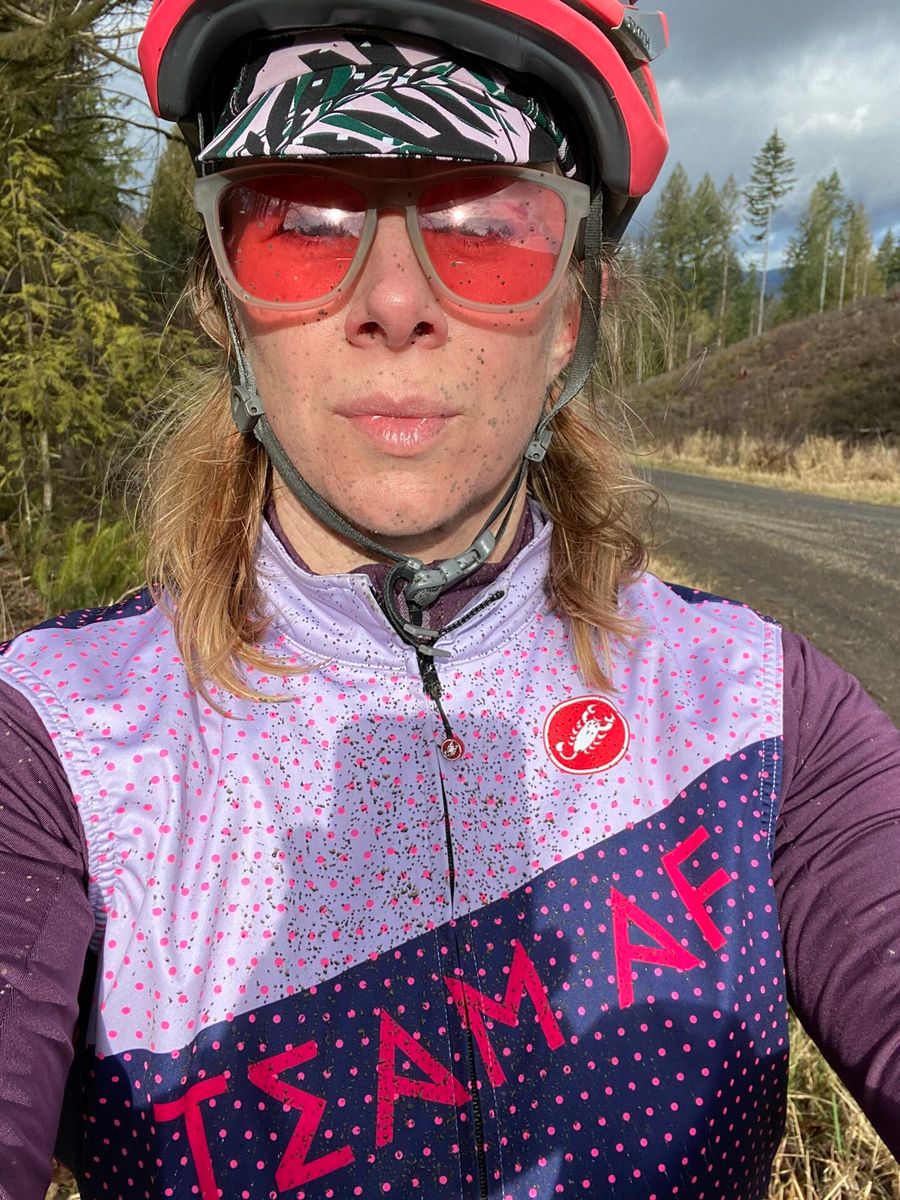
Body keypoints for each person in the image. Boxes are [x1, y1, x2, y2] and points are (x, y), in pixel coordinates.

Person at [1, 2, 898, 1198]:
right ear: (223, 305)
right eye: (302, 223)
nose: (394, 300)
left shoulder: (759, 713)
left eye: (484, 227)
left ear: (568, 317)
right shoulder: (60, 740)